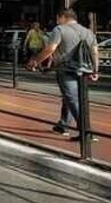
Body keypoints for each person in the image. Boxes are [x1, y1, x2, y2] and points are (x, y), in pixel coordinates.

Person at [27, 8, 99, 141]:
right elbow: (94, 51)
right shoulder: (88, 32)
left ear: (63, 17)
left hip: (66, 69)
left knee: (72, 98)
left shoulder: (59, 30)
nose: (56, 21)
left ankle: (86, 131)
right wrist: (95, 70)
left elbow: (51, 48)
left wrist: (36, 62)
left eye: (57, 18)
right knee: (73, 98)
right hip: (84, 70)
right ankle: (63, 125)